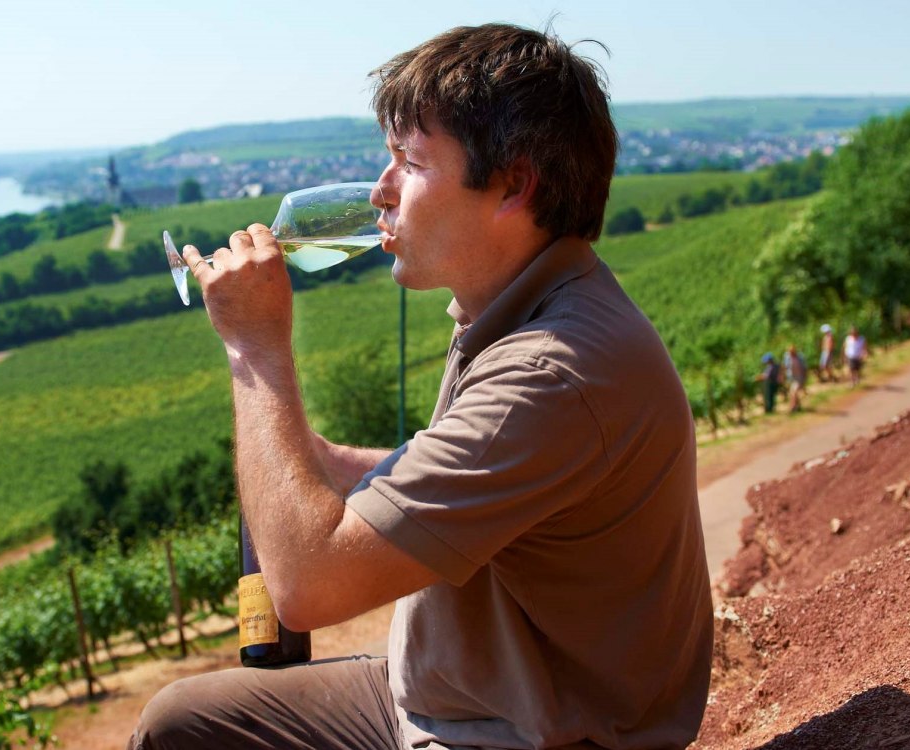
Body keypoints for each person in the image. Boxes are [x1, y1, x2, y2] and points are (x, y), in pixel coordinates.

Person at [129, 23, 713, 750]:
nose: (380, 192)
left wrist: (255, 348)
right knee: (177, 724)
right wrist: (316, 463)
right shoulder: (510, 307)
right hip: (446, 696)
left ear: (513, 185)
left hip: (519, 733)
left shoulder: (551, 370)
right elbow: (474, 479)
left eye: (410, 161)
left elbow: (307, 590)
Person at [783, 344, 808, 413]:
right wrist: (783, 377)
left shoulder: (800, 357)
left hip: (799, 377)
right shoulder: (787, 357)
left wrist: (804, 379)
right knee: (793, 392)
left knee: (793, 392)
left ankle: (792, 407)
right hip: (791, 377)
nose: (790, 354)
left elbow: (805, 368)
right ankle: (798, 406)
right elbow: (785, 367)